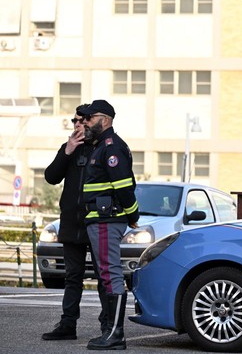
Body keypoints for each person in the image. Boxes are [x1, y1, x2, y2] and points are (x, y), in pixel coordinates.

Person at [42, 105, 108, 341]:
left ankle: (107, 327)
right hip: (71, 223)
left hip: (97, 222)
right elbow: (51, 177)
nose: (78, 124)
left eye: (83, 120)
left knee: (103, 277)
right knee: (72, 277)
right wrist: (67, 151)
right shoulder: (69, 149)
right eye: (75, 121)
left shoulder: (102, 149)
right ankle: (67, 325)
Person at [80, 99, 139, 351]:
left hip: (107, 219)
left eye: (90, 119)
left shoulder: (111, 147)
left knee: (111, 274)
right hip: (100, 219)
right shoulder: (100, 146)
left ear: (104, 119)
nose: (86, 123)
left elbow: (124, 187)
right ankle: (112, 331)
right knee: (106, 274)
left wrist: (133, 215)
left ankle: (115, 334)